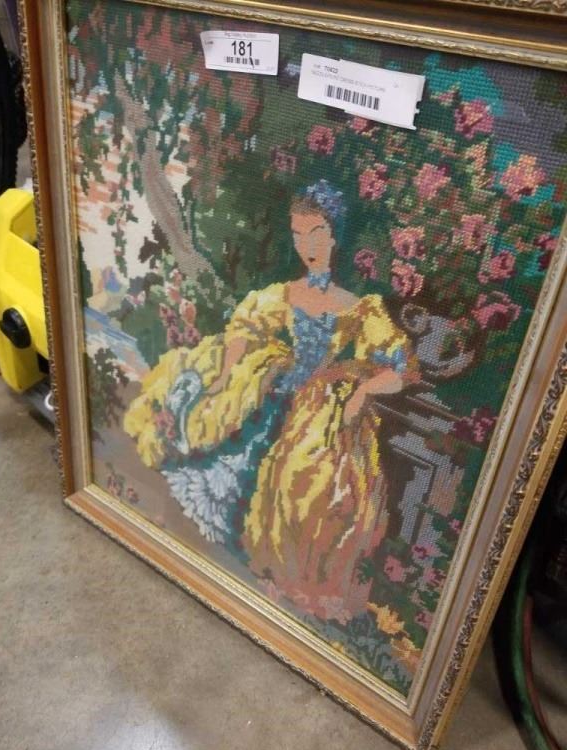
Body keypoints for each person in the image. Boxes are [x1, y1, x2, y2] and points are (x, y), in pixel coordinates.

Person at [124, 180, 418, 624]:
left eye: (316, 233)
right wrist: (226, 375)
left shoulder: (360, 309)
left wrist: (363, 390)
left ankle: (285, 566)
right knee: (227, 416)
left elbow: (399, 370)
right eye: (298, 235)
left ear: (335, 235)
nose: (307, 246)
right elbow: (246, 328)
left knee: (309, 479)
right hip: (279, 388)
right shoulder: (285, 294)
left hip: (320, 407)